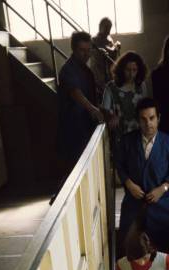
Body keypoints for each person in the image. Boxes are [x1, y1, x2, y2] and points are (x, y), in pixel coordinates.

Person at [115, 97, 169, 251]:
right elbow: (119, 165)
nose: (148, 123)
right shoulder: (127, 141)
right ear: (138, 120)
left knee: (161, 246)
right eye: (143, 119)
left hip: (160, 205)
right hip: (133, 203)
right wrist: (128, 183)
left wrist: (163, 188)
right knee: (128, 244)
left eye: (152, 118)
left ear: (158, 118)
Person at [57, 31, 104, 177]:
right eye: (82, 50)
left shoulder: (87, 71)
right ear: (74, 49)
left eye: (89, 50)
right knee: (77, 172)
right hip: (74, 130)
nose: (86, 54)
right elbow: (75, 92)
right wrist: (93, 110)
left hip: (88, 126)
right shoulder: (67, 70)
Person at [102, 51, 148, 146]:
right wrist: (111, 117)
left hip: (139, 134)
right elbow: (104, 110)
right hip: (119, 136)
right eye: (128, 70)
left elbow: (146, 108)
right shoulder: (111, 87)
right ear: (121, 69)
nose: (131, 74)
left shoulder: (141, 85)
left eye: (134, 70)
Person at [91, 17, 121, 99]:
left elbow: (112, 57)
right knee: (102, 96)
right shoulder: (94, 40)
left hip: (109, 72)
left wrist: (116, 47)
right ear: (100, 26)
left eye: (110, 28)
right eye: (106, 27)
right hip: (99, 74)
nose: (108, 30)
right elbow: (106, 51)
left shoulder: (109, 39)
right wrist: (115, 47)